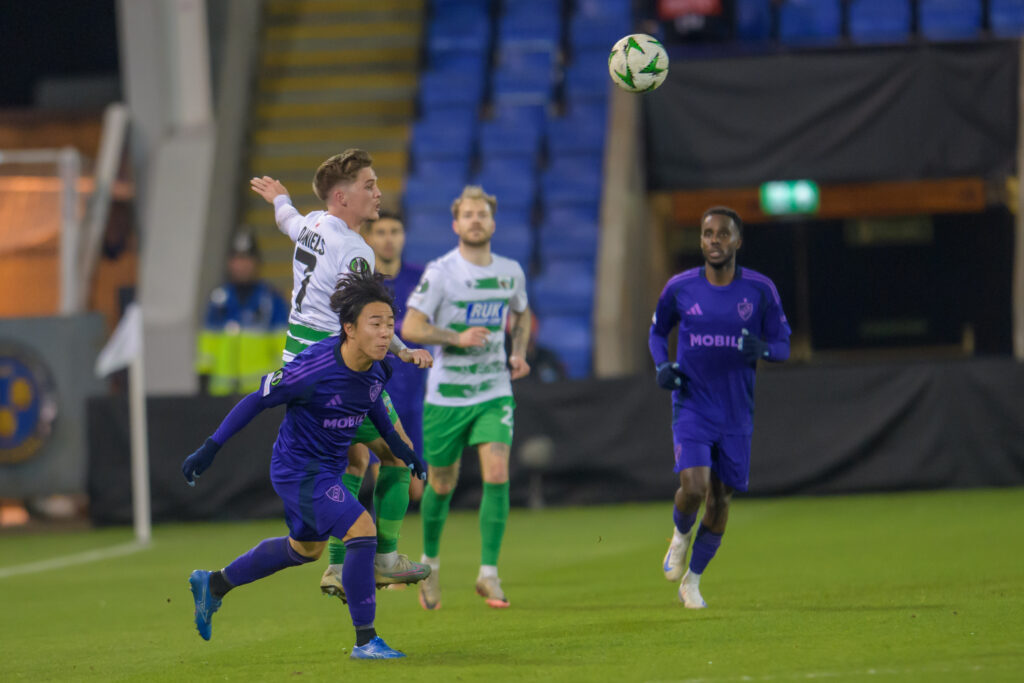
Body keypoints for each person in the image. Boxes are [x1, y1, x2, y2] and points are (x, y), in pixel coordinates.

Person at [182, 272, 427, 659]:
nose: (385, 334)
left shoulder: (378, 368)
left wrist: (402, 449)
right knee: (361, 529)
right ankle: (366, 641)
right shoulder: (312, 369)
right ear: (349, 328)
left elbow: (373, 405)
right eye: (375, 324)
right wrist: (210, 448)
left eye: (389, 325)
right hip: (297, 469)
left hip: (325, 469)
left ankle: (213, 584)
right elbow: (256, 400)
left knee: (304, 550)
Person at [249, 151, 432, 598]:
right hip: (331, 371)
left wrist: (279, 198)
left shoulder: (312, 224)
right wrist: (403, 350)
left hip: (295, 363)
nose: (378, 192)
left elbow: (286, 220)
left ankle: (334, 568)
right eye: (369, 185)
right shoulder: (355, 249)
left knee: (354, 460)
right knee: (396, 453)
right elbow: (364, 316)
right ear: (341, 196)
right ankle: (386, 558)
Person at [648, 206, 790, 609]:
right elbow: (658, 332)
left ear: (737, 242)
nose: (714, 240)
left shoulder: (760, 290)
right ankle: (679, 537)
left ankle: (692, 581)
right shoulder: (680, 287)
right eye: (708, 233)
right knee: (693, 486)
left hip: (736, 411)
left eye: (723, 234)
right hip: (693, 403)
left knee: (721, 498)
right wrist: (662, 366)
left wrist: (763, 349)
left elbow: (783, 345)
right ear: (700, 240)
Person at [402, 185, 532, 610]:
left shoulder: (510, 271)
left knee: (497, 472)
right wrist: (455, 337)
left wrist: (518, 353)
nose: (476, 220)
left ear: (493, 223)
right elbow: (411, 327)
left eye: (483, 214)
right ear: (456, 224)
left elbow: (521, 311)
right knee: (440, 483)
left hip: (494, 391)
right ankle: (431, 566)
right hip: (447, 396)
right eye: (469, 215)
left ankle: (489, 574)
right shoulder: (441, 272)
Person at [195, 231, 289, 396]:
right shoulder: (218, 300)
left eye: (247, 258)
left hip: (261, 396)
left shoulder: (272, 300)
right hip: (221, 394)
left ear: (257, 262)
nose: (241, 265)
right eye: (237, 258)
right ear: (229, 262)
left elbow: (283, 349)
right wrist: (203, 377)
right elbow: (207, 346)